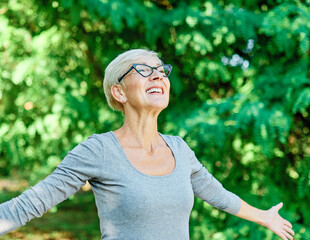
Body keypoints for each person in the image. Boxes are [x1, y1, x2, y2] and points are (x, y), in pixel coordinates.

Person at [0, 49, 294, 240]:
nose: (157, 75)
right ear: (119, 92)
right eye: (142, 70)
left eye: (161, 71)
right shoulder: (98, 151)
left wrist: (264, 217)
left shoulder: (179, 149)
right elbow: (29, 204)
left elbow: (218, 195)